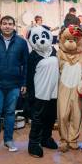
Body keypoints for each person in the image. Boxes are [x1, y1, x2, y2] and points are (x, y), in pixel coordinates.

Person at [0, 15, 29, 155]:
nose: (7, 26)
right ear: (0, 25)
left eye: (10, 24)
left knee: (10, 113)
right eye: (5, 23)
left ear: (14, 26)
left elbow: (26, 64)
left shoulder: (21, 42)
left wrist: (24, 82)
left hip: (14, 84)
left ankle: (8, 140)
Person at [26, 26, 59, 157]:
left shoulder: (54, 50)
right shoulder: (33, 56)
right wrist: (31, 94)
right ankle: (33, 143)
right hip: (40, 91)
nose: (42, 40)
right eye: (37, 38)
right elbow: (29, 76)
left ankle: (46, 138)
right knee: (38, 118)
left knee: (51, 116)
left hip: (54, 91)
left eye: (44, 36)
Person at [57, 25, 82, 152]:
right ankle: (63, 139)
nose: (71, 42)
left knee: (76, 114)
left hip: (77, 87)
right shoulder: (59, 52)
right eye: (68, 39)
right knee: (62, 114)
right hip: (63, 87)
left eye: (74, 39)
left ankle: (73, 139)